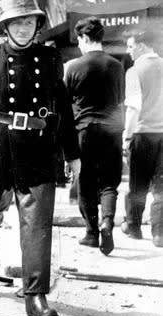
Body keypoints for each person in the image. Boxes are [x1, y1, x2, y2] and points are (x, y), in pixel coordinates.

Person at [0, 0, 80, 316]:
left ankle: (35, 295)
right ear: (5, 27)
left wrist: (73, 154)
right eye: (17, 23)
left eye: (29, 23)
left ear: (37, 27)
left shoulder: (50, 58)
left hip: (38, 151)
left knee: (37, 226)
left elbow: (63, 108)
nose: (24, 29)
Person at [64, 16, 125, 255]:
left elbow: (66, 105)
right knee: (110, 182)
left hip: (85, 130)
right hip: (112, 128)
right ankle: (108, 221)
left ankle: (91, 232)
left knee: (86, 182)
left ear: (83, 38)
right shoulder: (117, 66)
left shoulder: (73, 67)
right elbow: (120, 99)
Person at [121, 30, 163, 247]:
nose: (129, 51)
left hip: (142, 134)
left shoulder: (134, 71)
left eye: (131, 46)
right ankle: (159, 233)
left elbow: (133, 109)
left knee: (137, 185)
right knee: (161, 187)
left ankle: (134, 226)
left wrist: (126, 137)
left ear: (142, 45)